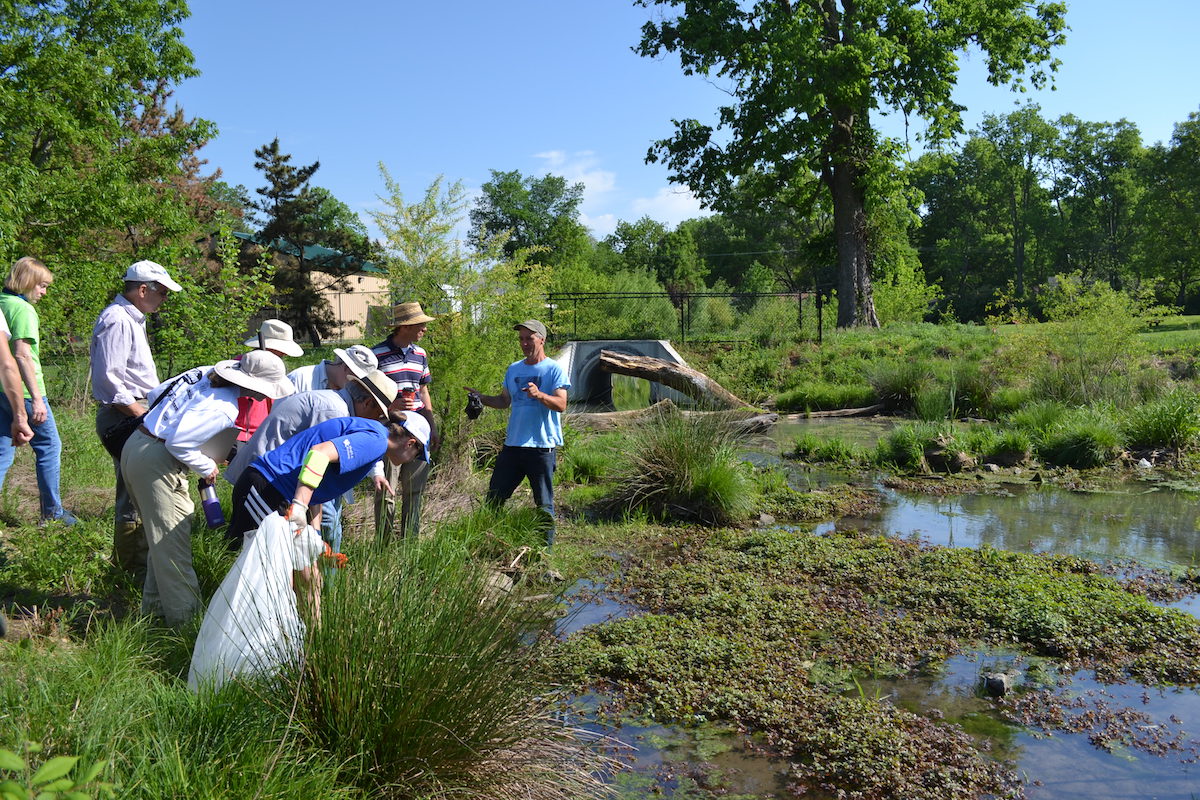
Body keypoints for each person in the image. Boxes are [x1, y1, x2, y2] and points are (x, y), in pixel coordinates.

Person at [121, 351, 295, 626]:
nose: (266, 397)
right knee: (172, 544)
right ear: (252, 384)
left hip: (136, 444)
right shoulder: (225, 407)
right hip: (157, 460)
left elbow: (155, 395)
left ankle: (154, 614)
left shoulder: (202, 373)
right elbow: (177, 444)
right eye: (266, 390)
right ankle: (187, 627)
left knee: (162, 542)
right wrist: (206, 465)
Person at [229, 410, 430, 620]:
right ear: (410, 443)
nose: (411, 461)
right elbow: (320, 454)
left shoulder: (376, 439)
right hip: (267, 489)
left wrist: (314, 536)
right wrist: (299, 504)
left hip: (278, 494)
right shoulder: (377, 441)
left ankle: (309, 642)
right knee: (269, 576)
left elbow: (320, 478)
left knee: (309, 578)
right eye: (417, 454)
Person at [224, 369, 398, 554]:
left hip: (276, 481)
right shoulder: (335, 411)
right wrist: (313, 525)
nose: (376, 422)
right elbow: (315, 463)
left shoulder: (336, 403)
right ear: (368, 403)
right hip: (268, 482)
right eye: (379, 415)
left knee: (266, 558)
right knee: (245, 555)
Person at [91, 260, 182, 582]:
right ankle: (131, 569)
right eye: (163, 293)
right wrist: (142, 416)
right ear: (144, 289)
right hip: (124, 414)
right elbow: (109, 380)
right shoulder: (117, 319)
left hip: (135, 410)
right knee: (132, 491)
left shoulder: (132, 318)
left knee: (137, 487)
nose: (165, 299)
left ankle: (135, 563)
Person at [465, 319, 570, 546]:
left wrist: (540, 395)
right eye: (521, 339)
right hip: (513, 446)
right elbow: (504, 401)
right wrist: (480, 397)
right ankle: (487, 543)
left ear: (541, 340)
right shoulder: (514, 369)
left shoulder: (553, 369)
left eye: (529, 338)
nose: (524, 343)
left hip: (541, 447)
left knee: (544, 504)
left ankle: (545, 553)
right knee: (494, 499)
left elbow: (561, 404)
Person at [0, 257, 75, 525]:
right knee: (49, 446)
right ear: (28, 282)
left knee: (2, 451)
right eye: (42, 286)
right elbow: (22, 355)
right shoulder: (23, 310)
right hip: (27, 394)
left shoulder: (2, 303)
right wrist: (37, 401)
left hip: (2, 391)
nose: (43, 292)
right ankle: (52, 514)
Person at [372, 302, 439, 542]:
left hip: (418, 432)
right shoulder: (376, 354)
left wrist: (432, 426)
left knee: (415, 490)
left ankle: (410, 544)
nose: (425, 328)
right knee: (386, 490)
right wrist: (390, 407)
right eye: (420, 324)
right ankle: (384, 545)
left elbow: (424, 391)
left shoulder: (420, 354)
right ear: (405, 326)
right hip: (390, 432)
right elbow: (368, 395)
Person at [233, 319, 304, 444]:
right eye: (280, 350)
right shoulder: (241, 365)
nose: (284, 354)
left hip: (262, 433)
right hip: (239, 434)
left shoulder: (275, 367)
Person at [286, 344, 377, 393]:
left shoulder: (352, 392)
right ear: (346, 367)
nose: (357, 383)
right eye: (356, 378)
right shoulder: (299, 378)